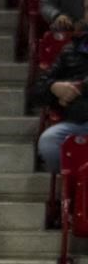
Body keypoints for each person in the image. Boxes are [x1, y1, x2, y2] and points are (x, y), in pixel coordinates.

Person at [33, 28, 88, 170]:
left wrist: (80, 89)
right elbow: (38, 90)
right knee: (49, 141)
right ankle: (73, 180)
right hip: (79, 123)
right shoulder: (71, 50)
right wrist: (54, 87)